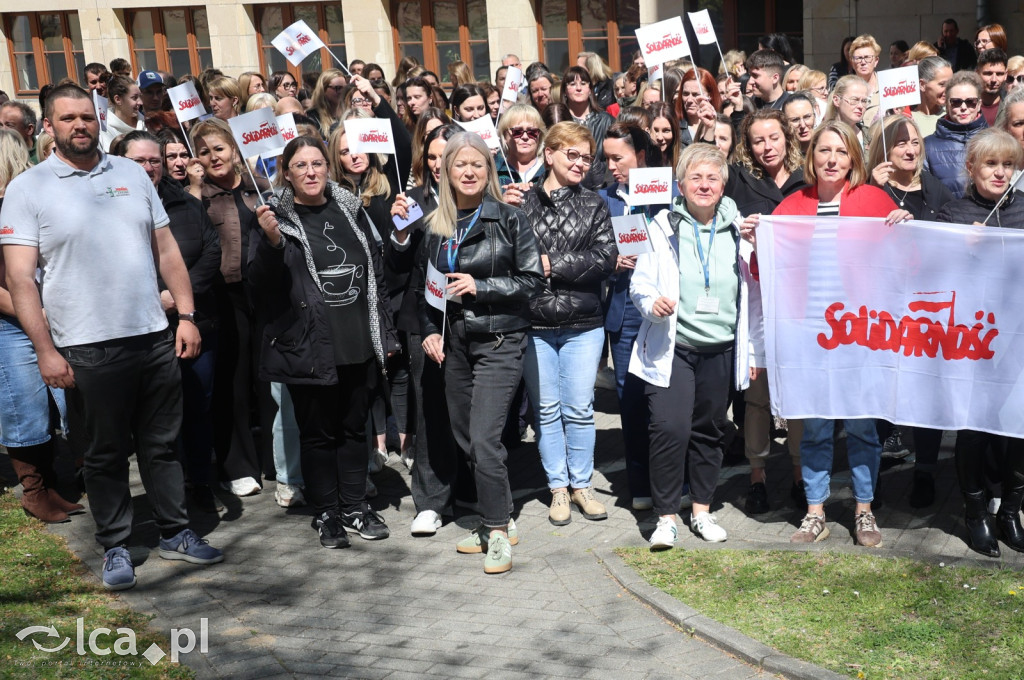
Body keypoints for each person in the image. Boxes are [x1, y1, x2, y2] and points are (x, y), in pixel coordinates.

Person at [2, 84, 223, 590]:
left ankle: (176, 532)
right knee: (103, 454)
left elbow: (166, 250)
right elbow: (19, 279)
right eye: (68, 118)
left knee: (162, 446)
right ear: (49, 126)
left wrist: (186, 314)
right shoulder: (28, 189)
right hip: (85, 347)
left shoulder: (130, 173)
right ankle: (117, 544)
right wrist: (45, 351)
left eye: (86, 116)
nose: (80, 125)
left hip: (151, 336)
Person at [251, 136, 398, 548]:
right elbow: (258, 284)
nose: (311, 172)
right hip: (308, 344)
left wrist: (383, 330)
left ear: (327, 168)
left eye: (317, 163)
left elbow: (376, 270)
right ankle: (327, 513)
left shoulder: (350, 207)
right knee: (317, 434)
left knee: (355, 429)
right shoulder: (272, 217)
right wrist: (271, 243)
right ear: (287, 173)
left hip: (358, 339)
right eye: (301, 166)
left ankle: (354, 507)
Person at [772, 120, 911, 547]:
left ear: (853, 157)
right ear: (811, 158)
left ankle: (864, 510)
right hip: (809, 332)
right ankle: (815, 512)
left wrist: (905, 228)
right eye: (823, 151)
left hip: (859, 332)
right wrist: (754, 241)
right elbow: (769, 271)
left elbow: (905, 262)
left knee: (860, 424)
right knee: (814, 425)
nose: (831, 160)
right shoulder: (791, 205)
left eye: (840, 152)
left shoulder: (873, 199)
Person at [418, 131, 544, 573]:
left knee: (487, 440)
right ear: (446, 172)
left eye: (477, 165)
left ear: (489, 171)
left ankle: (494, 532)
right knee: (467, 441)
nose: (468, 172)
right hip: (453, 347)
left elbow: (533, 282)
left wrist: (482, 286)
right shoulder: (435, 226)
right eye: (459, 165)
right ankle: (502, 518)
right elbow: (427, 290)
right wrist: (430, 331)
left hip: (499, 341)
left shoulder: (509, 220)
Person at [631, 143, 756, 548]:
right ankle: (666, 517)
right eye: (696, 177)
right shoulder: (661, 227)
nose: (704, 185)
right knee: (670, 429)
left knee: (709, 431)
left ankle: (701, 510)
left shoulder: (742, 229)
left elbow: (755, 294)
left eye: (712, 177)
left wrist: (753, 350)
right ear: (680, 185)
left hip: (721, 348)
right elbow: (640, 284)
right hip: (676, 346)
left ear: (724, 184)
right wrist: (652, 304)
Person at [119, 130, 224, 513]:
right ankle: (166, 490)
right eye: (139, 161)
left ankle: (199, 481)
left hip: (193, 323)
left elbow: (211, 253)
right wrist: (154, 296)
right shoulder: (106, 208)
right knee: (155, 416)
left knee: (198, 406)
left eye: (154, 161)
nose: (149, 168)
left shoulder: (186, 204)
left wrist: (178, 299)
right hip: (139, 330)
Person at [519, 121, 616, 526]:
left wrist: (551, 264)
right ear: (550, 155)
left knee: (578, 407)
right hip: (535, 322)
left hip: (583, 322)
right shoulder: (522, 204)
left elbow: (605, 258)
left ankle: (582, 487)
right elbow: (514, 260)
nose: (580, 163)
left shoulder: (594, 203)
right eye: (571, 155)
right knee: (545, 409)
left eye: (586, 157)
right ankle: (557, 488)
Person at [934, 128, 1024, 556]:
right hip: (973, 343)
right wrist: (959, 249)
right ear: (971, 168)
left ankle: (1010, 510)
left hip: (1019, 342)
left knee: (1019, 429)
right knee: (972, 430)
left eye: (1008, 164)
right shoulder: (953, 215)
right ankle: (975, 513)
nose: (1001, 172)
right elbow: (928, 276)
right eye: (991, 163)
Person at [863, 114, 954, 507]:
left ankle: (925, 472)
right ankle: (874, 475)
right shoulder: (870, 191)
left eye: (915, 141)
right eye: (900, 142)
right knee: (883, 393)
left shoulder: (939, 191)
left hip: (927, 309)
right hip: (883, 308)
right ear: (884, 149)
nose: (910, 149)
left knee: (927, 393)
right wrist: (873, 193)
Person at [0, 127, 81, 524]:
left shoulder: (21, 202)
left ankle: (49, 486)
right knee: (23, 409)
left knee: (52, 404)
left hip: (38, 316)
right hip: (9, 324)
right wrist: (34, 313)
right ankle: (34, 492)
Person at [189, 118, 271, 496]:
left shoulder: (260, 187)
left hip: (266, 294)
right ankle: (237, 465)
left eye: (219, 148)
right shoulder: (197, 196)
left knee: (268, 379)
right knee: (232, 383)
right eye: (203, 152)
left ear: (235, 150)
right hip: (223, 298)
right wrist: (192, 190)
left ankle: (275, 460)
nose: (213, 157)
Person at [390, 124, 460, 534]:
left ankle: (467, 493)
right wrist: (399, 231)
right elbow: (397, 266)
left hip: (469, 317)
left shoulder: (480, 198)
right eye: (432, 157)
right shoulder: (412, 201)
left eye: (445, 155)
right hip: (423, 320)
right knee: (430, 406)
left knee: (466, 412)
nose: (438, 164)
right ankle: (430, 501)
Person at [597, 123, 669, 510]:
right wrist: (612, 262)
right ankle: (640, 484)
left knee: (669, 401)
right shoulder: (603, 199)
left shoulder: (669, 193)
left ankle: (675, 481)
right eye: (606, 158)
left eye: (617, 157)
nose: (610, 166)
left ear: (640, 156)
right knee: (632, 401)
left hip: (665, 310)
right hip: (624, 314)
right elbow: (590, 252)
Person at [925, 71, 988, 198]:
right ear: (947, 104)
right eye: (956, 102)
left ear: (979, 104)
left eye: (970, 102)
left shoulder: (995, 140)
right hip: (945, 216)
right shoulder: (927, 145)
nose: (963, 107)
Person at [560, 66, 614, 188]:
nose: (579, 88)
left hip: (602, 189)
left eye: (583, 83)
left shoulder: (607, 121)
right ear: (565, 91)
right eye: (572, 84)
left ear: (590, 89)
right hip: (568, 188)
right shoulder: (560, 121)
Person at [496, 103, 546, 190]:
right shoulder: (494, 170)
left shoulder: (550, 170)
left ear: (539, 135)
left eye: (532, 132)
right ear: (505, 135)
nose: (525, 137)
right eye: (517, 131)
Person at [823, 75, 870, 148]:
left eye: (864, 101)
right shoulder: (823, 134)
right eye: (854, 100)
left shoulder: (870, 136)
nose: (860, 106)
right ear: (836, 100)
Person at [100, 75, 144, 151]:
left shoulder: (145, 123)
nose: (140, 102)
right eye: (134, 98)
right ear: (118, 99)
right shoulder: (105, 128)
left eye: (140, 97)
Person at [912, 56, 953, 137]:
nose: (948, 89)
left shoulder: (953, 114)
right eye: (942, 84)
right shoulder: (909, 118)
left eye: (951, 84)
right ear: (922, 85)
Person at [847, 35, 882, 121]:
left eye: (867, 58)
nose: (863, 62)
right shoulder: (845, 88)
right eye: (858, 58)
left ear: (876, 61)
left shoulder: (887, 86)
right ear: (852, 62)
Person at [977, 49, 1009, 126]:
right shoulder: (966, 107)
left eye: (999, 74)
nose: (994, 80)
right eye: (988, 74)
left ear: (1006, 75)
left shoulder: (1010, 108)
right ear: (977, 73)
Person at [648, 101, 679, 171]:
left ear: (674, 131)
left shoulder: (684, 160)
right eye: (655, 130)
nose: (660, 137)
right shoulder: (638, 161)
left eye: (666, 131)